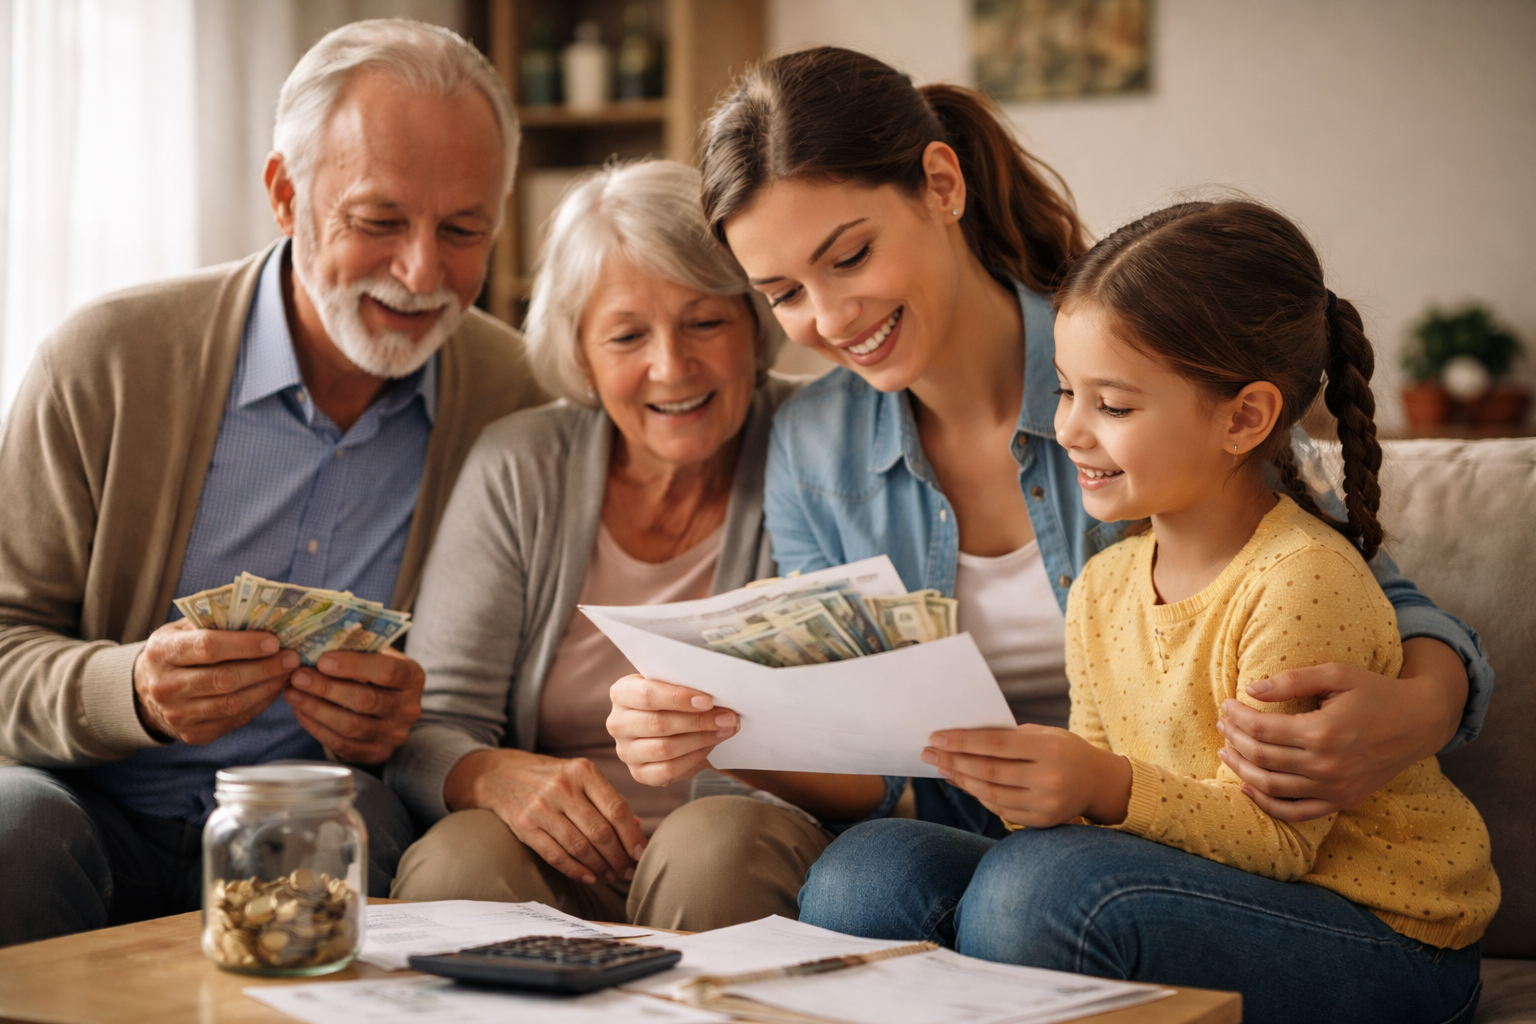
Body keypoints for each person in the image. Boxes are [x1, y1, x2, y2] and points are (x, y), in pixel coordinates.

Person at [608, 46, 1492, 836]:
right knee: (861, 878)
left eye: (850, 257)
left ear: (942, 186)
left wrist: (1419, 711)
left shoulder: (1130, 365)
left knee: (1009, 890)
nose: (831, 318)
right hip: (963, 817)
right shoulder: (812, 441)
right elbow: (872, 769)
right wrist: (724, 731)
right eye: (783, 294)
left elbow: (1371, 596)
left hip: (1160, 818)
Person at [800, 200, 1498, 1024]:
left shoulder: (1301, 579)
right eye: (1063, 391)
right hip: (1178, 883)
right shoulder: (1106, 582)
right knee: (869, 871)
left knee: (1040, 892)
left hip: (1385, 937)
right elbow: (1092, 803)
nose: (1067, 429)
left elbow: (1279, 842)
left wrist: (1101, 785)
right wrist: (1039, 786)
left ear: (1244, 418)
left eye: (1114, 407)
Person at [0, 19, 546, 947]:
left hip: (329, 807)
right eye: (379, 222)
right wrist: (130, 688)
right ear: (286, 196)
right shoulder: (107, 360)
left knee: (359, 834)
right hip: (88, 801)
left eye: (463, 230)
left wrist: (396, 723)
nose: (423, 273)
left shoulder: (514, 395)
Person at [385, 160, 866, 931]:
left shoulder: (824, 445)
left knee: (712, 847)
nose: (671, 367)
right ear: (580, 353)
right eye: (626, 335)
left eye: (705, 321)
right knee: (460, 858)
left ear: (755, 323)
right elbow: (429, 723)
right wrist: (490, 774)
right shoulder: (521, 464)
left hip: (750, 843)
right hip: (559, 859)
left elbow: (865, 734)